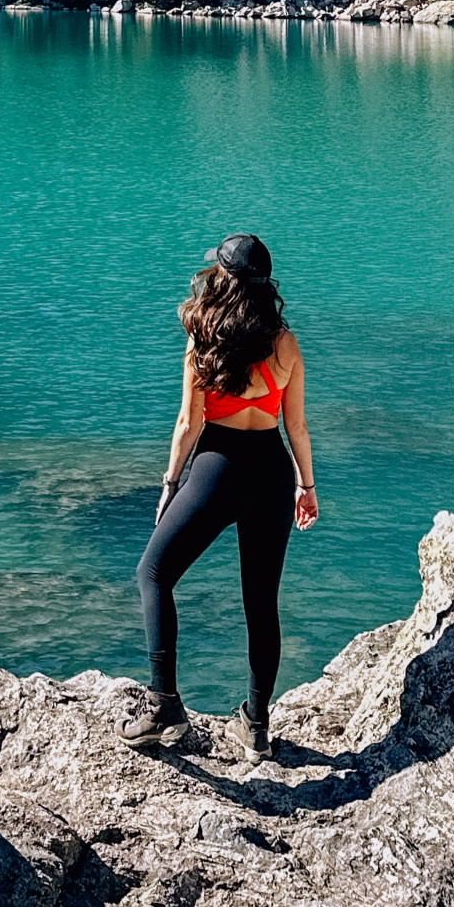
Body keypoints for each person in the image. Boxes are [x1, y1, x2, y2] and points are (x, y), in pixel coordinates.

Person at [121, 233, 317, 756]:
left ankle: (166, 706)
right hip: (272, 472)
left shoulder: (203, 336)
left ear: (222, 278)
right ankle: (255, 726)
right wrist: (306, 485)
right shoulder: (286, 342)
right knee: (261, 603)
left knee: (154, 573)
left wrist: (170, 484)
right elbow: (295, 425)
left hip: (216, 471)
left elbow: (189, 422)